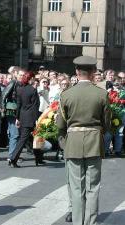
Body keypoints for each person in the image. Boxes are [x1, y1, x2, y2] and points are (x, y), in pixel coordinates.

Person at [57, 56, 111, 225]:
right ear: (93, 72)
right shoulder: (102, 94)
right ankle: (91, 222)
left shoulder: (66, 95)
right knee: (92, 187)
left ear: (76, 72)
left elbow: (60, 124)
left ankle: (78, 222)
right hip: (94, 142)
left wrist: (64, 143)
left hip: (73, 142)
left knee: (76, 187)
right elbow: (107, 124)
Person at [9, 70, 40, 167]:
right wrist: (36, 119)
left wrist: (17, 118)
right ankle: (13, 159)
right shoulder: (33, 90)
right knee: (25, 139)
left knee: (34, 138)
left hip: (22, 116)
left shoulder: (19, 89)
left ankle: (39, 158)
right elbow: (35, 106)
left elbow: (18, 105)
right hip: (30, 118)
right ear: (30, 79)